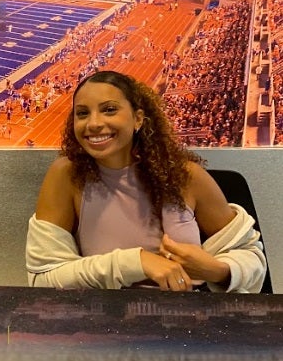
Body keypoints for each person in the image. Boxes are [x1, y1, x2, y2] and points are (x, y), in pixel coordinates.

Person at [26, 70, 266, 292]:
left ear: (138, 119)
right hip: (103, 326)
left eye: (109, 109)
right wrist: (135, 262)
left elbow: (252, 257)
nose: (94, 123)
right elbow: (43, 279)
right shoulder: (66, 175)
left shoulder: (186, 176)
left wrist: (218, 270)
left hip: (185, 323)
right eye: (82, 113)